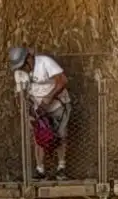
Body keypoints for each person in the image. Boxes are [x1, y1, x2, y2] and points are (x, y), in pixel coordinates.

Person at [8, 43, 72, 177]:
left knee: (61, 135)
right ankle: (40, 170)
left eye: (23, 65)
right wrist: (28, 112)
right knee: (39, 138)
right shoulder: (20, 73)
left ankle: (61, 167)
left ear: (29, 59)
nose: (22, 69)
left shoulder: (45, 62)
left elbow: (62, 80)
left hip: (57, 105)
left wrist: (47, 99)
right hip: (37, 109)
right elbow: (21, 96)